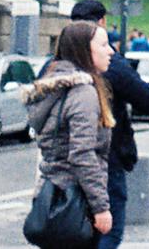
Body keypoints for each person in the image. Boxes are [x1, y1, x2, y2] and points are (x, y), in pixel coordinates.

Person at [68, 0, 149, 249]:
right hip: (107, 157)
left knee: (70, 232)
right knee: (109, 232)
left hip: (62, 163)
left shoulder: (55, 64)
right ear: (103, 23)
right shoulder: (109, 64)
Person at [26, 20, 116, 245]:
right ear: (85, 50)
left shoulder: (56, 86)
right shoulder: (83, 93)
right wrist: (101, 207)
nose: (111, 51)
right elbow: (82, 155)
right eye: (104, 45)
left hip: (51, 194)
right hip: (74, 200)